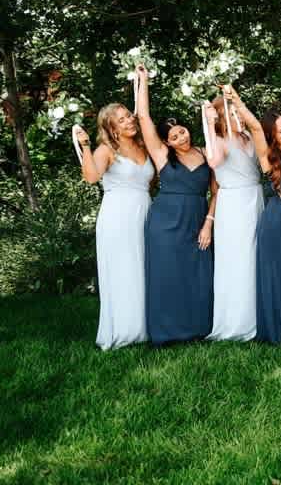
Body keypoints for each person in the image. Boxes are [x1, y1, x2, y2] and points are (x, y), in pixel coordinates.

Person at [136, 66, 215, 346]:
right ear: (166, 142)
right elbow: (143, 117)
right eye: (174, 137)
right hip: (165, 223)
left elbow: (217, 191)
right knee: (167, 276)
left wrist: (209, 223)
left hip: (197, 221)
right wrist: (143, 80)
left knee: (198, 274)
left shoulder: (206, 152)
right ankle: (166, 333)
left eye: (182, 131)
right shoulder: (161, 156)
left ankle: (198, 329)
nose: (182, 138)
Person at [229, 89, 281, 344]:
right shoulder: (268, 157)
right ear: (272, 135)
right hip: (278, 219)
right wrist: (235, 98)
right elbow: (254, 126)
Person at [77, 104, 152, 350]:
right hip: (118, 217)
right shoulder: (106, 150)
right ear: (111, 128)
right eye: (122, 120)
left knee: (144, 269)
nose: (129, 120)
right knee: (123, 271)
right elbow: (91, 177)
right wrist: (85, 146)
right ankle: (122, 330)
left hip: (144, 212)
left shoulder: (143, 146)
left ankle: (145, 327)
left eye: (129, 116)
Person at [204, 94, 264, 342]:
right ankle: (237, 322)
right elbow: (213, 160)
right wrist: (209, 123)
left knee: (256, 257)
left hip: (255, 198)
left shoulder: (248, 136)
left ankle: (259, 317)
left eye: (238, 111)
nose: (237, 116)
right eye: (232, 113)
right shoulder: (218, 140)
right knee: (238, 260)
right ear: (221, 117)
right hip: (234, 204)